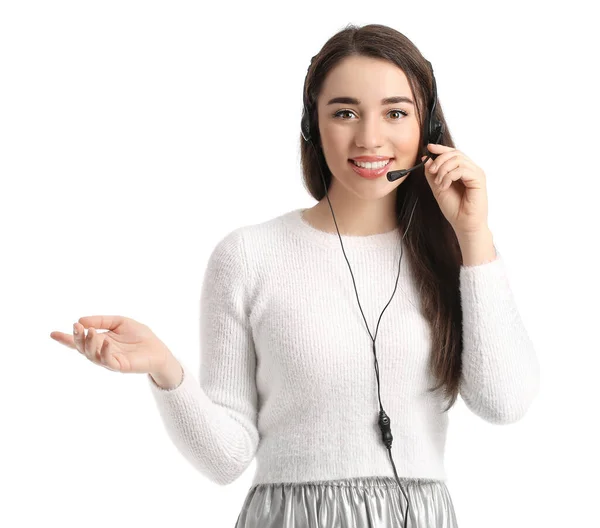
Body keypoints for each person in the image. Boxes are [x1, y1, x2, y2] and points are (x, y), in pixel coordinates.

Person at [50, 23, 540, 528]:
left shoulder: (452, 253)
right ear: (312, 126)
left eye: (396, 112)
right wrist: (164, 368)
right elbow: (227, 458)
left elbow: (504, 402)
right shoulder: (249, 256)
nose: (370, 137)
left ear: (428, 130)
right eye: (345, 112)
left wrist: (474, 234)